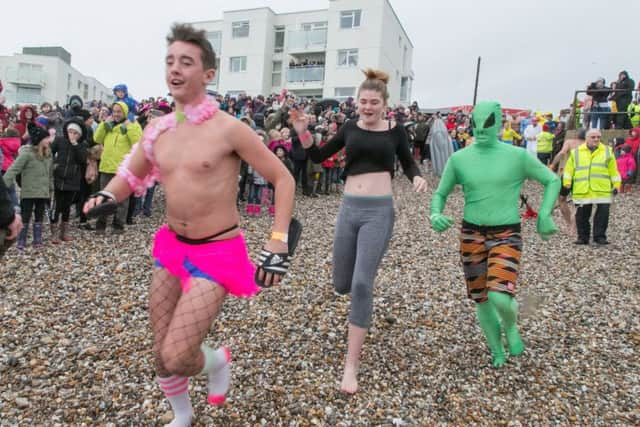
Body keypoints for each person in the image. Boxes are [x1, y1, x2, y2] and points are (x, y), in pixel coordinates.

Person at [83, 23, 295, 426]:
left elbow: (283, 178)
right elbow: (130, 174)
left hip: (217, 250)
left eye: (186, 62)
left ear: (208, 74)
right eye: (169, 61)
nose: (175, 69)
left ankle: (217, 360)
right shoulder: (159, 129)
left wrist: (278, 242)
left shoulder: (230, 128)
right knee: (160, 353)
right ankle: (182, 416)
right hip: (170, 247)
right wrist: (108, 195)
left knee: (179, 354)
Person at [292, 68, 427, 394]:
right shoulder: (350, 127)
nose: (367, 107)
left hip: (379, 212)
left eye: (373, 102)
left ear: (384, 104)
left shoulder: (395, 132)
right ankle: (355, 303)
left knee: (363, 283)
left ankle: (350, 367)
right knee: (342, 283)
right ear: (357, 103)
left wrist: (417, 177)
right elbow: (319, 156)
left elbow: (408, 162)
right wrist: (302, 132)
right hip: (348, 209)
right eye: (363, 101)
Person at [430, 100, 560, 368]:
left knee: (500, 294)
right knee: (481, 297)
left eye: (487, 123)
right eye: (475, 123)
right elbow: (440, 193)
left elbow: (552, 180)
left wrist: (545, 214)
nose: (480, 129)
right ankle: (495, 348)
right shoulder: (459, 159)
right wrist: (435, 214)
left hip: (506, 233)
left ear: (500, 122)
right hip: (471, 233)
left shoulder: (517, 156)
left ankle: (511, 325)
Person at [562, 129, 621, 245]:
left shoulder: (608, 151)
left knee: (602, 215)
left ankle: (599, 237)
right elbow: (569, 169)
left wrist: (616, 186)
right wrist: (567, 183)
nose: (596, 139)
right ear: (586, 138)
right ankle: (583, 237)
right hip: (582, 188)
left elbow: (614, 171)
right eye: (593, 137)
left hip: (602, 189)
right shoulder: (576, 152)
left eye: (598, 137)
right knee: (582, 216)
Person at [93, 101, 143, 234]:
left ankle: (118, 225)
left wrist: (129, 127)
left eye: (119, 111)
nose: (116, 114)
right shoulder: (108, 126)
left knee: (122, 199)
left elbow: (137, 143)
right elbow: (97, 138)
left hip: (122, 170)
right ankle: (101, 224)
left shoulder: (133, 125)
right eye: (114, 111)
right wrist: (103, 124)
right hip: (106, 167)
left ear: (125, 113)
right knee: (103, 197)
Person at [3, 124, 54, 250]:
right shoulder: (26, 154)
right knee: (25, 216)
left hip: (43, 192)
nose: (49, 140)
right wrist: (2, 186)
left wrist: (50, 188)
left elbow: (50, 174)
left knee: (39, 215)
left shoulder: (48, 154)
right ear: (39, 140)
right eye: (47, 138)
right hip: (29, 192)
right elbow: (13, 170)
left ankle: (38, 239)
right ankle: (21, 240)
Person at [50, 118, 88, 243]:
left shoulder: (82, 145)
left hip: (73, 179)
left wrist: (75, 144)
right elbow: (50, 152)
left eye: (75, 133)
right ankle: (54, 232)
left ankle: (64, 232)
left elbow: (82, 160)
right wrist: (54, 165)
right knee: (56, 205)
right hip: (58, 177)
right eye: (70, 131)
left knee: (66, 207)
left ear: (79, 135)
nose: (72, 134)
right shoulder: (60, 140)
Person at [550, 129, 586, 235]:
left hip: (569, 174)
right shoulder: (589, 144)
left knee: (562, 199)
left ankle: (570, 225)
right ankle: (573, 227)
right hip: (579, 175)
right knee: (578, 202)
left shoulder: (570, 142)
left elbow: (562, 153)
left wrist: (553, 165)